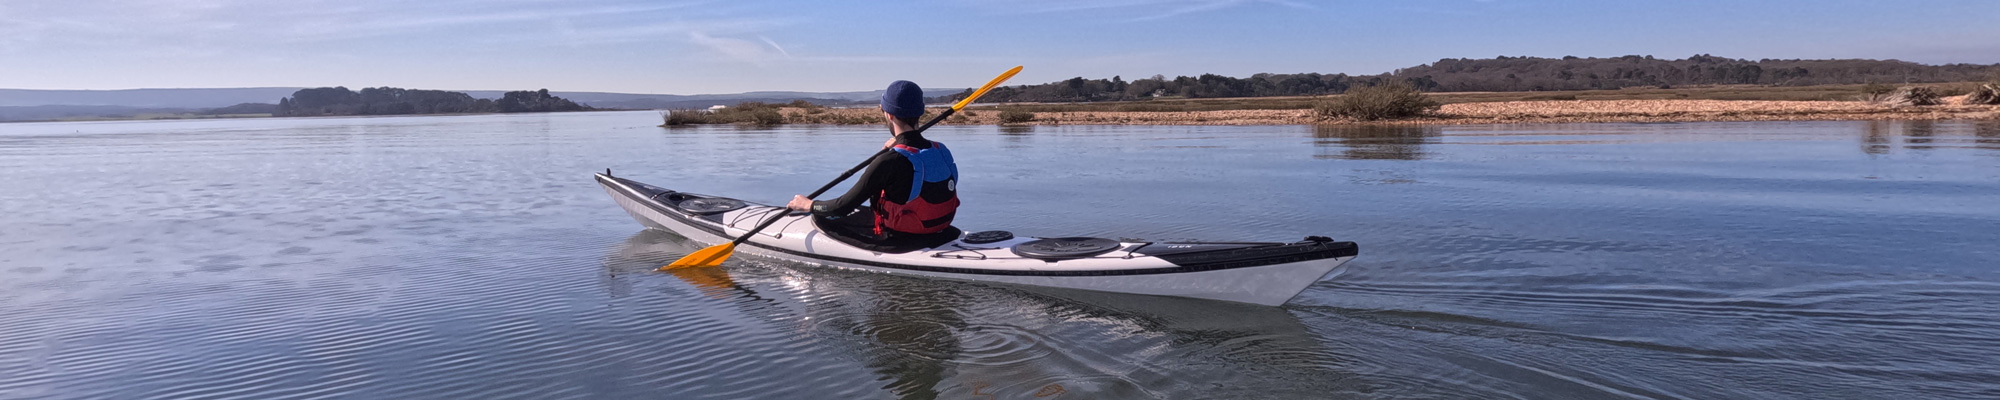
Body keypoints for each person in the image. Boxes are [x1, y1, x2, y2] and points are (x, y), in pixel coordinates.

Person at [785, 80, 963, 253]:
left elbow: (842, 207)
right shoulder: (941, 150)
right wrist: (898, 147)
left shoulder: (889, 161)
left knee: (822, 218)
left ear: (889, 115)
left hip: (902, 240)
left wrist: (810, 205)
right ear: (920, 113)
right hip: (941, 231)